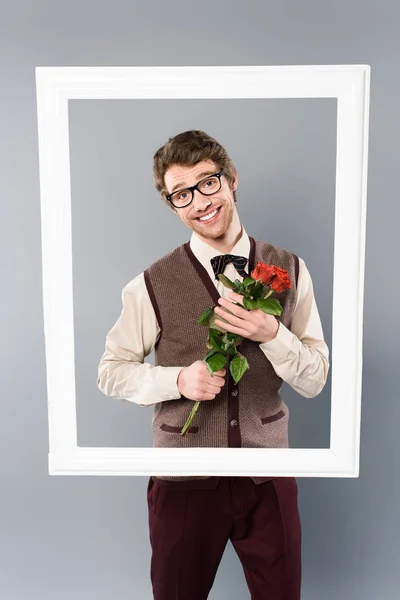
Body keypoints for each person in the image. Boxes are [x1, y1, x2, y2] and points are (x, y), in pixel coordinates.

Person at [97, 130, 330, 600]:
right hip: (184, 480)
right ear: (172, 205)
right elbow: (111, 370)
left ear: (232, 178)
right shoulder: (149, 284)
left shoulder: (292, 269)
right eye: (181, 194)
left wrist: (272, 334)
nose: (199, 202)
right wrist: (177, 379)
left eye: (208, 183)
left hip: (267, 475)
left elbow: (315, 378)